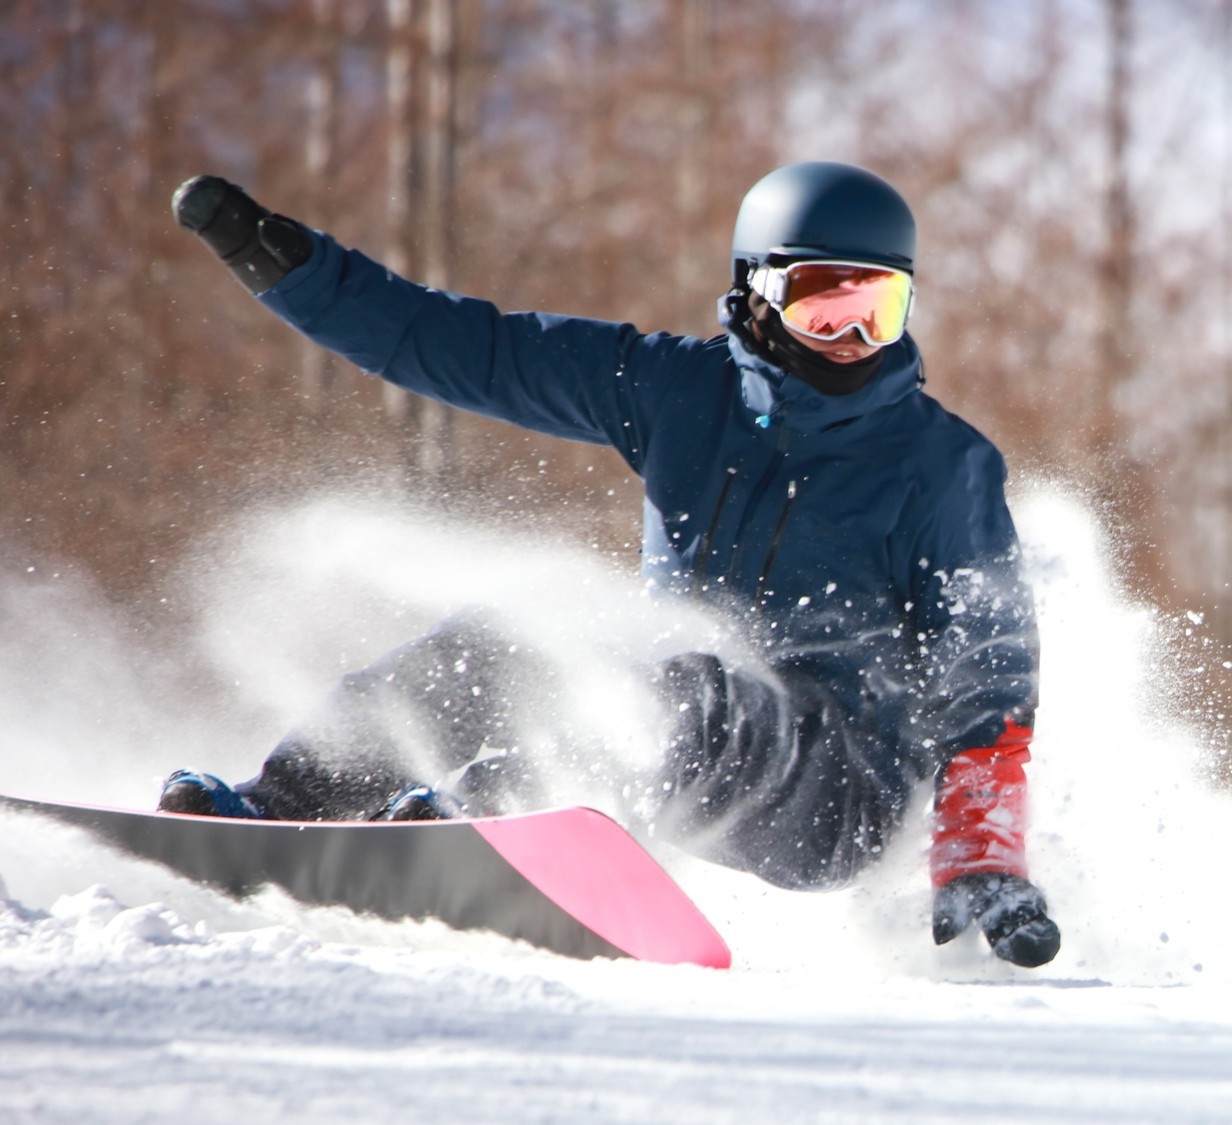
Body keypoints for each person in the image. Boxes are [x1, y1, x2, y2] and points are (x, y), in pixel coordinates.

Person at [160, 162, 1059, 968]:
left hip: (837, 789)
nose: (851, 337)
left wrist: (982, 851)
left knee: (687, 693)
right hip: (674, 719)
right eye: (825, 304)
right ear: (756, 290)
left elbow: (987, 664)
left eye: (881, 310)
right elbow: (467, 347)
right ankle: (284, 801)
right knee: (512, 636)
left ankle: (499, 818)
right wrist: (289, 268)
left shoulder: (940, 463)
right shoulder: (678, 390)